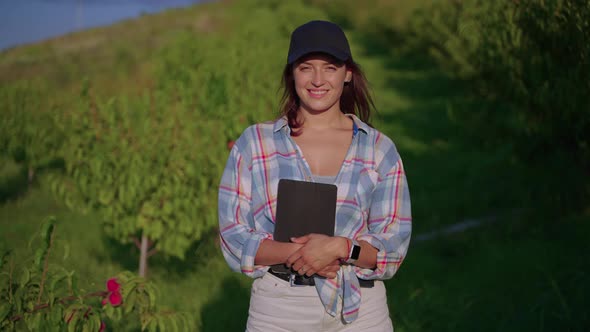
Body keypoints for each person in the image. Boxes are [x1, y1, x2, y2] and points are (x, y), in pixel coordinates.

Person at [218, 20, 411, 331]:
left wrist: (341, 248)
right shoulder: (255, 143)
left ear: (347, 73)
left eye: (330, 67)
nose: (318, 79)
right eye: (306, 67)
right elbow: (233, 237)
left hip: (360, 311)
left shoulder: (379, 149)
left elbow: (393, 246)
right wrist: (305, 253)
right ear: (292, 73)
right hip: (280, 309)